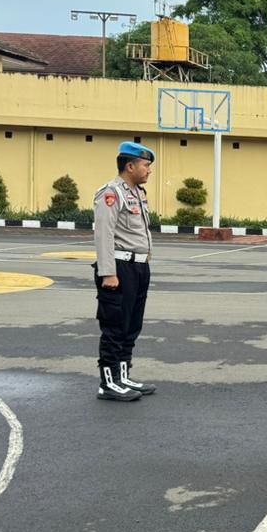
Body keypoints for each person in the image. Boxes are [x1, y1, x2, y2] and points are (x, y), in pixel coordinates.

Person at [93, 141, 158, 402]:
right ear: (130, 166)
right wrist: (108, 272)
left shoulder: (138, 193)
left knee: (131, 326)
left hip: (139, 266)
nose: (149, 170)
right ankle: (108, 384)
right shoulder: (111, 193)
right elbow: (104, 234)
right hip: (119, 268)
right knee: (115, 326)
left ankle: (123, 376)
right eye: (145, 165)